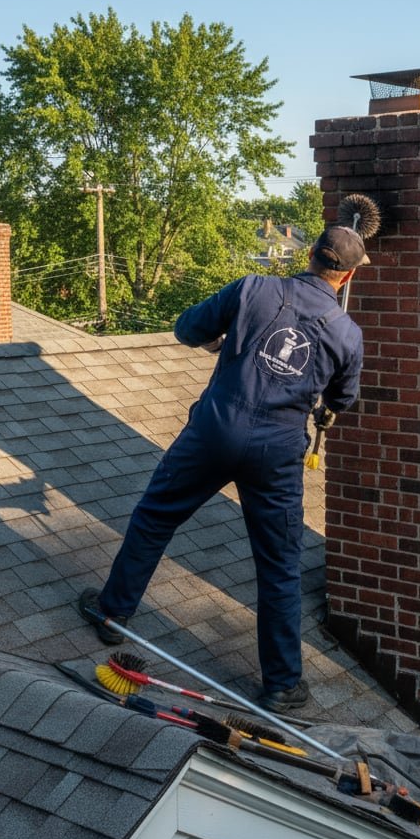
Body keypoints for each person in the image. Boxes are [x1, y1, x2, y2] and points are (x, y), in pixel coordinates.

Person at [79, 224, 368, 713]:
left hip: (213, 431)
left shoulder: (253, 287)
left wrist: (220, 338)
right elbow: (343, 397)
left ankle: (112, 615)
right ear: (345, 277)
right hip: (276, 453)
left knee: (155, 517)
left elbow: (187, 328)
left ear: (312, 256)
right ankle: (281, 684)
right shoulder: (345, 331)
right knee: (278, 564)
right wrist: (324, 401)